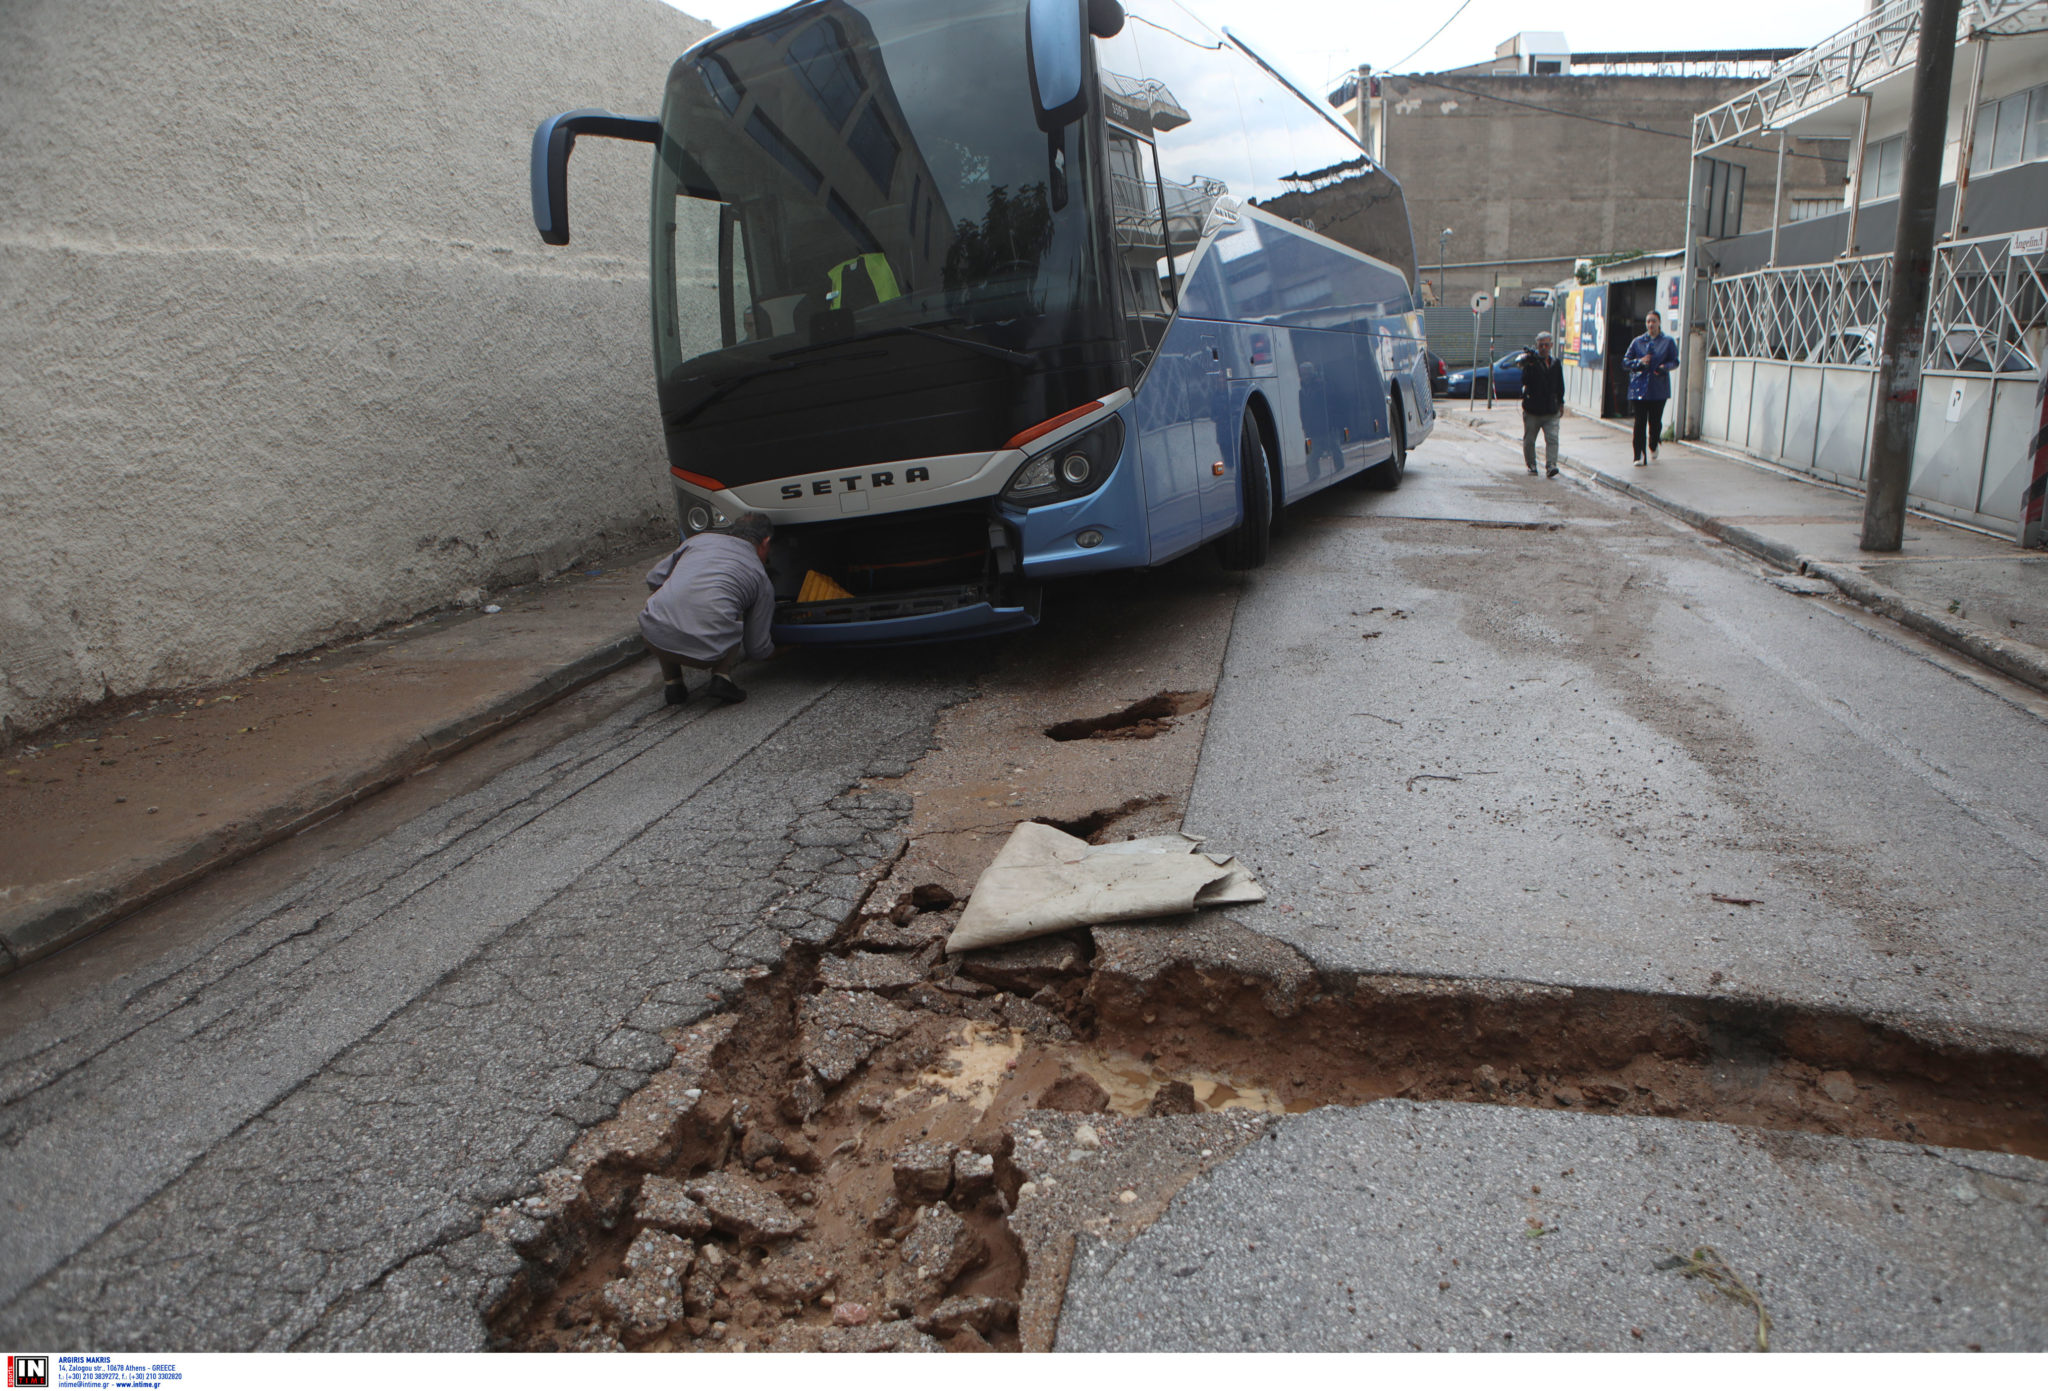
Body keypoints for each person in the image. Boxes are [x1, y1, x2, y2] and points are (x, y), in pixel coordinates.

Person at [640, 512, 777, 706]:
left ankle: (673, 684)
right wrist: (783, 651)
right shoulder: (760, 577)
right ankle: (721, 677)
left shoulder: (699, 541)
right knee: (733, 606)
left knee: (662, 599)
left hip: (654, 639)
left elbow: (654, 578)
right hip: (707, 655)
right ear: (765, 542)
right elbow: (757, 648)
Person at [1626, 310, 1679, 465]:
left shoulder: (1667, 341)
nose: (1651, 324)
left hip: (1658, 389)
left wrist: (1664, 367)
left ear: (1659, 323)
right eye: (1648, 321)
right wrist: (1639, 362)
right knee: (1639, 422)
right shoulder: (1638, 342)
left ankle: (1654, 443)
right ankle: (1638, 455)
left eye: (1653, 321)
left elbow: (1675, 361)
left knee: (1655, 422)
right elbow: (1626, 361)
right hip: (1639, 388)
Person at [1517, 331, 1566, 478]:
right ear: (1537, 346)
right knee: (1530, 439)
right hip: (1533, 410)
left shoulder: (1556, 363)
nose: (1544, 348)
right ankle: (1532, 464)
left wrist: (1561, 403)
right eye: (1541, 345)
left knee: (1552, 438)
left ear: (1551, 345)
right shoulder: (1531, 362)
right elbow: (1524, 380)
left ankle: (1551, 465)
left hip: (1551, 409)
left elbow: (1560, 385)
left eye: (1546, 345)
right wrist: (1529, 364)